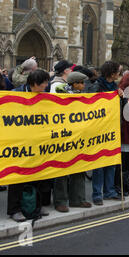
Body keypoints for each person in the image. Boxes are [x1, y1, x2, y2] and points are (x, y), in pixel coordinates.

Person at [8, 70, 51, 222]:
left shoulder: (45, 95)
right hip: (19, 143)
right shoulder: (15, 94)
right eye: (44, 83)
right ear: (33, 84)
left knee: (38, 175)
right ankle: (15, 209)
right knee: (17, 177)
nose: (47, 86)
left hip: (38, 142)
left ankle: (35, 206)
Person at [52, 72, 93, 212]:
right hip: (63, 137)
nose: (84, 85)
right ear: (74, 84)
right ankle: (60, 201)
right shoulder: (60, 94)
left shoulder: (82, 96)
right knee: (61, 170)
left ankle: (78, 199)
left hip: (79, 137)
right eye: (81, 83)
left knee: (79, 167)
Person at [91, 61, 124, 205]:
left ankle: (109, 191)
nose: (119, 74)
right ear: (112, 73)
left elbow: (118, 108)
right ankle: (97, 194)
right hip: (99, 129)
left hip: (112, 128)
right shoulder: (97, 86)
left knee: (111, 161)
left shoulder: (115, 87)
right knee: (99, 162)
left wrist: (121, 97)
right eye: (118, 71)